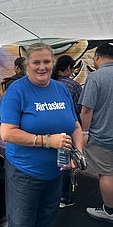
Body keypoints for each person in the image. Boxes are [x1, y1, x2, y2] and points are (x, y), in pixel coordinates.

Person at [0, 43, 83, 227]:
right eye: (36, 62)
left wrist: (77, 154)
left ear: (53, 63)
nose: (42, 66)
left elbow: (76, 126)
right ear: (27, 65)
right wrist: (47, 141)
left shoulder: (61, 89)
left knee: (47, 219)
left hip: (56, 172)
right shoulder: (16, 91)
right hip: (25, 173)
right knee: (22, 223)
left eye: (46, 61)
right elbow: (7, 133)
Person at [79, 42, 113, 223]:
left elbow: (86, 110)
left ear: (97, 57)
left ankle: (109, 210)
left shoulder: (96, 77)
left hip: (103, 136)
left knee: (106, 173)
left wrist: (84, 132)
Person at [52, 54, 83, 208]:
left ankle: (52, 194)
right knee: (64, 162)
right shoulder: (74, 86)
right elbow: (78, 109)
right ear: (69, 68)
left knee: (50, 159)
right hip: (67, 128)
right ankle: (63, 197)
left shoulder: (51, 82)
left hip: (49, 129)